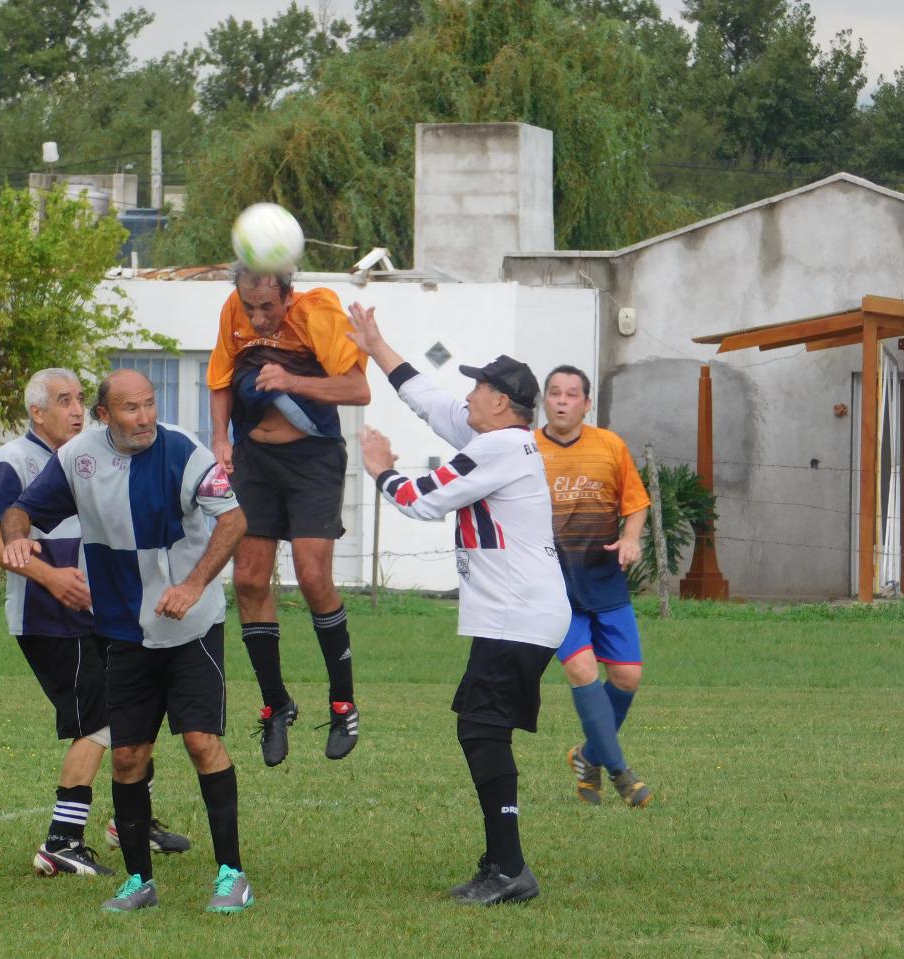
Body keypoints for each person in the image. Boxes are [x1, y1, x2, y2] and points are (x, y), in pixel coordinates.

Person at [1, 369, 252, 914]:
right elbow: (22, 508)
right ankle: (139, 881)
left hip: (192, 627)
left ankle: (232, 874)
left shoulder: (186, 453)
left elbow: (233, 521)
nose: (143, 418)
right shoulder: (77, 458)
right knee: (129, 756)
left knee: (200, 741)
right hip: (121, 631)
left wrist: (192, 584)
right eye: (129, 409)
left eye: (148, 405)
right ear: (103, 415)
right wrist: (18, 539)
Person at [346, 303, 570, 907]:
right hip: (516, 614)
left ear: (502, 403)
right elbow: (429, 399)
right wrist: (377, 344)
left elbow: (423, 500)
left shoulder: (503, 449)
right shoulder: (496, 438)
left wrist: (382, 472)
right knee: (480, 728)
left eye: (479, 386)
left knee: (482, 729)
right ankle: (501, 862)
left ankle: (510, 869)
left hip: (519, 615)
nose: (468, 394)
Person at [0, 369, 190, 878]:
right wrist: (50, 578)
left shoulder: (86, 457)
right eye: (62, 400)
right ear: (36, 412)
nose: (76, 409)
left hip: (103, 611)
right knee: (99, 721)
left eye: (79, 399)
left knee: (139, 702)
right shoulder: (14, 462)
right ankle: (61, 842)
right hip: (51, 618)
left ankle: (128, 820)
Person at [208, 264, 371, 766]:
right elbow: (219, 380)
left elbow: (357, 390)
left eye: (267, 308)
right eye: (249, 306)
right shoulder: (233, 310)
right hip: (254, 459)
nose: (256, 318)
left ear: (287, 295)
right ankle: (276, 705)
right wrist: (219, 440)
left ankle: (343, 703)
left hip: (313, 458)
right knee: (251, 581)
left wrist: (293, 381)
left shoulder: (317, 310)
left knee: (312, 575)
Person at [537, 365, 651, 807]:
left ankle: (587, 755)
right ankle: (621, 771)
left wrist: (631, 537)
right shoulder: (526, 449)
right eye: (554, 393)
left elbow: (636, 502)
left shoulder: (609, 446)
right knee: (582, 670)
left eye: (571, 394)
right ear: (545, 401)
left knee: (627, 676)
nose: (562, 400)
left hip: (604, 579)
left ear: (587, 404)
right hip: (554, 585)